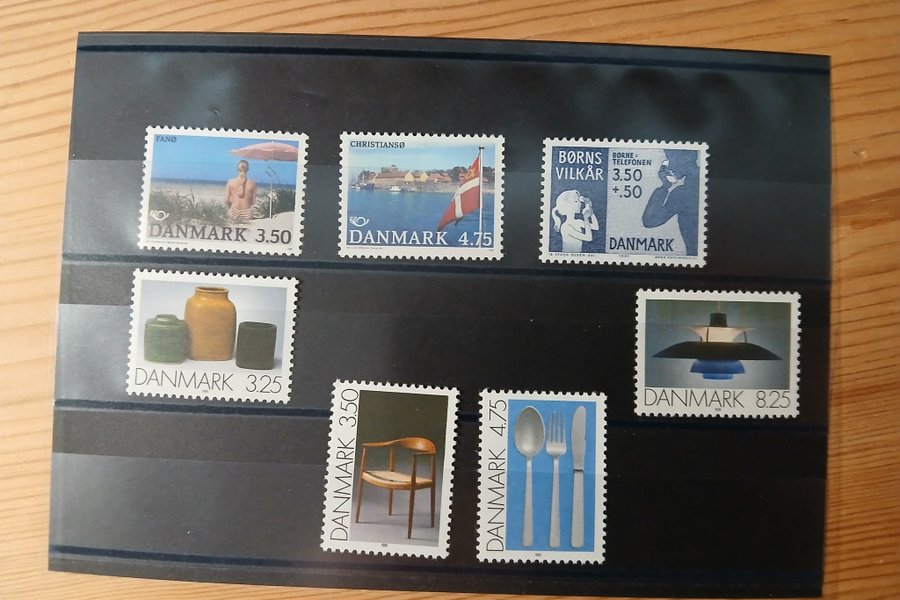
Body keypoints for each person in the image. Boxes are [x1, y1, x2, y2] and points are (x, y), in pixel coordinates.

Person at [641, 150, 699, 255]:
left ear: (687, 158)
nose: (670, 166)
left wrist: (665, 186)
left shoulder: (682, 193)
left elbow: (649, 221)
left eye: (671, 159)